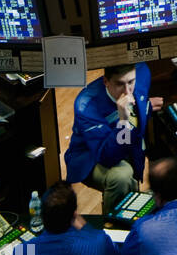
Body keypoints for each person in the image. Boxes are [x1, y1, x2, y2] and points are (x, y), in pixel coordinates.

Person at [64, 63, 162, 217]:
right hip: (90, 157)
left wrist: (146, 106)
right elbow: (108, 157)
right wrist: (123, 119)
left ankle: (134, 217)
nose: (127, 91)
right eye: (119, 84)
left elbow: (140, 100)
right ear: (105, 82)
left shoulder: (142, 72)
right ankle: (114, 226)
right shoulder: (86, 105)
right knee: (122, 176)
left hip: (125, 144)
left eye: (131, 82)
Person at [23, 182, 119, 255]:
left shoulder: (23, 252)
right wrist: (85, 227)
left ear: (42, 216)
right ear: (74, 215)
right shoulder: (99, 242)